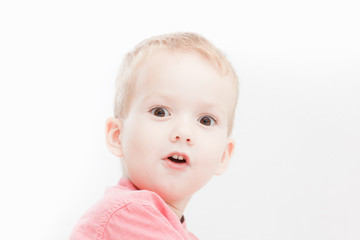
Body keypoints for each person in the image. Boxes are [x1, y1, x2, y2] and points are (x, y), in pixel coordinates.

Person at [70, 32, 239, 239]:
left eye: (205, 120)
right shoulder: (128, 214)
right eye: (160, 112)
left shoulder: (170, 228)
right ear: (117, 135)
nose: (184, 133)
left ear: (223, 155)